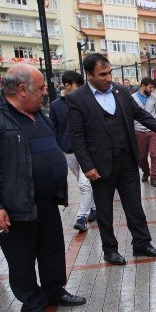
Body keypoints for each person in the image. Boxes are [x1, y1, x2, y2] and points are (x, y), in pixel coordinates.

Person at [0, 64, 86, 312]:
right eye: (41, 88)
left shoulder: (36, 114)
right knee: (22, 260)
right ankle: (33, 306)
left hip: (46, 200)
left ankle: (54, 291)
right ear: (22, 90)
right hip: (14, 205)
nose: (45, 92)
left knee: (52, 250)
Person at [66, 53, 156, 266]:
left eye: (109, 73)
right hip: (100, 165)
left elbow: (141, 115)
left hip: (127, 159)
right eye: (102, 74)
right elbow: (76, 136)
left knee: (134, 205)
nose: (108, 78)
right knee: (105, 210)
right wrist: (87, 165)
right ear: (89, 75)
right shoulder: (77, 99)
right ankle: (110, 250)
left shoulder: (120, 91)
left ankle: (142, 243)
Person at [50, 70, 97, 231]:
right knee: (83, 182)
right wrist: (59, 148)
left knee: (85, 183)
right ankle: (94, 208)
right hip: (68, 152)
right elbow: (54, 128)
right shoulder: (56, 105)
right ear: (67, 86)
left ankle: (81, 217)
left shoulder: (85, 101)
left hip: (86, 150)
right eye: (77, 87)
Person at [132, 77, 156, 187]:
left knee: (154, 154)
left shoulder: (154, 98)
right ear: (143, 86)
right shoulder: (132, 98)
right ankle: (146, 172)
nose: (151, 90)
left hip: (154, 131)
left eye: (153, 88)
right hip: (139, 131)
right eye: (150, 87)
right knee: (142, 156)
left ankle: (154, 177)